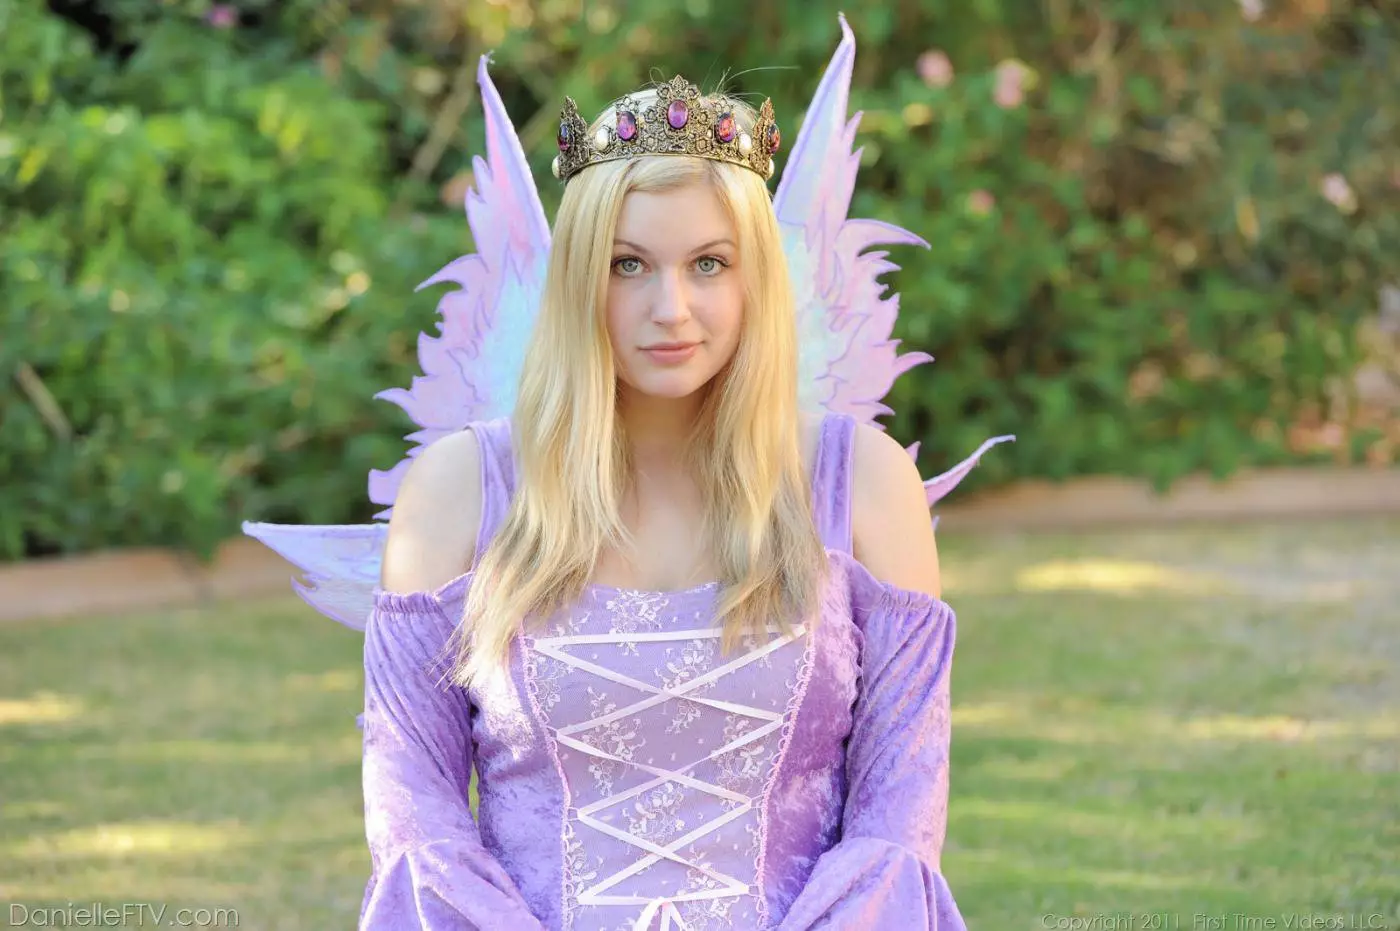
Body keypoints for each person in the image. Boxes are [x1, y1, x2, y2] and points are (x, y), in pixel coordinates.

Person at [358, 62, 969, 931]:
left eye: (709, 264)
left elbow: (898, 818)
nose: (671, 308)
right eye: (628, 265)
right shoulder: (458, 493)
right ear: (579, 278)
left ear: (756, 278)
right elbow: (415, 816)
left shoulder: (862, 482)